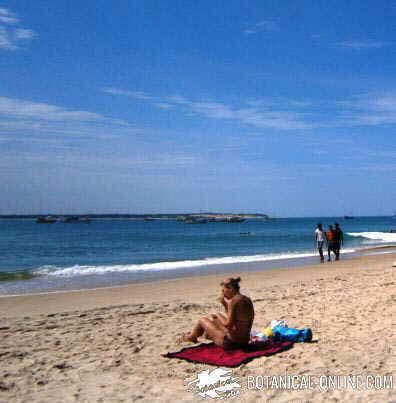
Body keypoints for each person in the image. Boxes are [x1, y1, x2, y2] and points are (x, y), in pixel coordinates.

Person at [181, 277, 254, 349]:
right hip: (245, 342)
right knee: (215, 317)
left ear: (230, 288)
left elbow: (228, 325)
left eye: (223, 290)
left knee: (202, 320)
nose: (222, 293)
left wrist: (218, 317)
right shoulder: (247, 299)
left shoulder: (233, 301)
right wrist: (224, 304)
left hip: (231, 343)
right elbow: (236, 321)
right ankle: (205, 334)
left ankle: (191, 337)